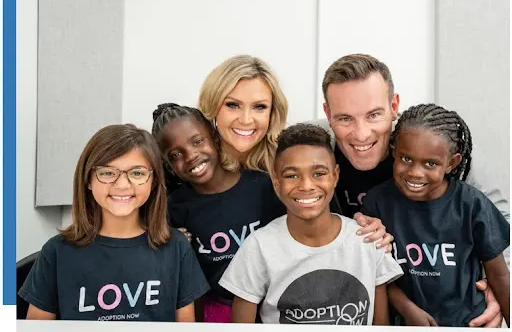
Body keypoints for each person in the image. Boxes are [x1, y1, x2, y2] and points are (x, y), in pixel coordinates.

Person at [310, 53, 509, 327]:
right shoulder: (313, 149)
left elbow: (499, 219)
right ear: (328, 114)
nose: (362, 133)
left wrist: (495, 290)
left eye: (374, 115)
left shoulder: (427, 140)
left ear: (394, 106)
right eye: (345, 118)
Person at [195, 55, 391, 247]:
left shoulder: (291, 156)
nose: (246, 119)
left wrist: (358, 228)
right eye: (232, 105)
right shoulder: (189, 164)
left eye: (259, 107)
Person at [18, 124, 210, 321]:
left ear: (153, 182)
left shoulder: (177, 248)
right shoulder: (56, 252)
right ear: (88, 180)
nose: (122, 184)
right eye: (108, 173)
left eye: (137, 173)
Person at [219, 124, 404, 325]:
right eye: (292, 175)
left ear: (335, 176)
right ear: (276, 182)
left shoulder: (368, 241)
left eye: (318, 174)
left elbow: (381, 326)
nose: (306, 185)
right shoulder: (259, 247)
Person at [362, 103, 510, 327]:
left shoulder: (471, 204)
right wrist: (405, 307)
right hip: (405, 324)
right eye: (406, 159)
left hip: (468, 324)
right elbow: (374, 275)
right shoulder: (377, 203)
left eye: (430, 163)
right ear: (394, 152)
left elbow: (499, 276)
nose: (415, 172)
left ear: (452, 163)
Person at [151, 103, 284, 322]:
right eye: (176, 154)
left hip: (274, 308)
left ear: (213, 135)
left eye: (197, 141)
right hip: (216, 315)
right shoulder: (174, 207)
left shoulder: (262, 186)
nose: (191, 155)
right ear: (168, 164)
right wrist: (173, 243)